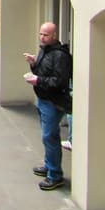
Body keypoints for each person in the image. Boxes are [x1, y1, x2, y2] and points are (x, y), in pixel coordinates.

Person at [24, 22, 72, 191]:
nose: (42, 38)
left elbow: (59, 82)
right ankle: (49, 165)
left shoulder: (60, 56)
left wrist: (37, 80)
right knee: (47, 136)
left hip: (52, 102)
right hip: (43, 99)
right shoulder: (45, 50)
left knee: (49, 137)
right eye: (41, 34)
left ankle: (55, 175)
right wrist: (33, 64)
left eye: (45, 35)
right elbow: (43, 71)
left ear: (54, 36)